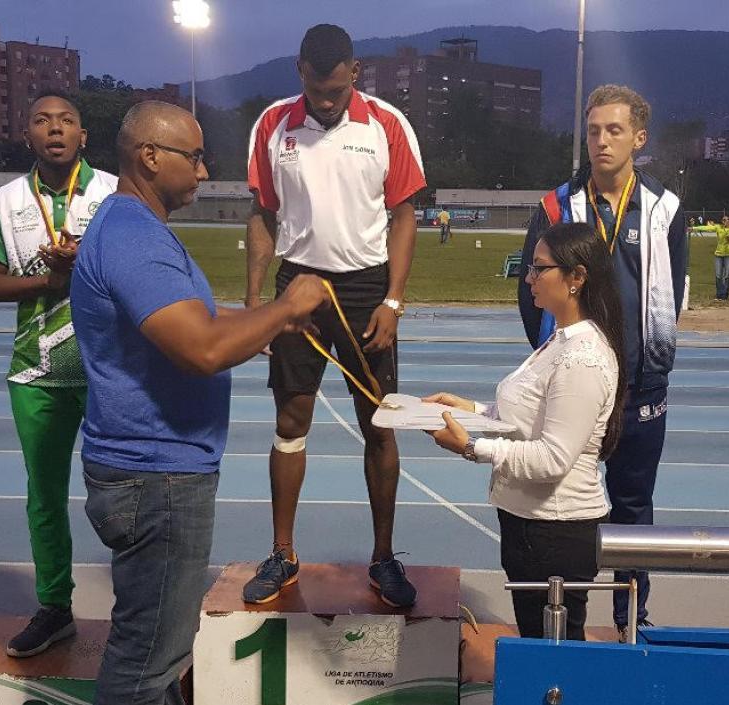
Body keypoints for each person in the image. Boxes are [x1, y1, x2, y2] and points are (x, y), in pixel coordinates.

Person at [72, 100, 327, 705]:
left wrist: (266, 323)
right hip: (155, 479)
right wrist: (287, 306)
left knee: (158, 649)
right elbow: (201, 349)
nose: (205, 171)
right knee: (144, 665)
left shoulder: (132, 229)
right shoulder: (136, 239)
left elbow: (197, 321)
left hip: (151, 474)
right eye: (194, 157)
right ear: (150, 157)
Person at [243, 24, 427, 608]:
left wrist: (393, 301)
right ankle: (281, 553)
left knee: (381, 423)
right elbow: (262, 214)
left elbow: (403, 216)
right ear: (300, 71)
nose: (326, 100)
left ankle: (383, 558)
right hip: (297, 284)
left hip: (367, 288)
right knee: (290, 422)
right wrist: (256, 304)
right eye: (317, 89)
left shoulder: (387, 125)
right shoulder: (273, 125)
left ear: (355, 71)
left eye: (336, 88)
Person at [519, 84, 687, 642]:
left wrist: (652, 366)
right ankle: (569, 622)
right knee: (568, 509)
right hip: (577, 388)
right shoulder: (556, 207)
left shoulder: (665, 210)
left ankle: (630, 621)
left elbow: (674, 296)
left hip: (640, 388)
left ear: (639, 138)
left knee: (634, 507)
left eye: (614, 130)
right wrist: (555, 365)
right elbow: (531, 293)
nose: (601, 141)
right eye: (593, 131)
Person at [428, 222, 624, 640]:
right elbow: (525, 417)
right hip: (529, 524)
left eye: (539, 268)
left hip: (555, 529)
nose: (529, 278)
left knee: (554, 656)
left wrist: (471, 447)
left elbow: (554, 458)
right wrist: (470, 410)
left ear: (577, 277)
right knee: (539, 645)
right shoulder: (559, 340)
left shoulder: (583, 358)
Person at [0, 91, 118, 658]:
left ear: (84, 136)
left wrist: (81, 270)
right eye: (42, 121)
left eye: (67, 121)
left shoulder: (115, 194)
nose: (55, 129)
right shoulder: (5, 201)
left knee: (123, 494)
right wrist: (49, 282)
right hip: (36, 372)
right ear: (27, 136)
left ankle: (134, 610)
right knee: (45, 498)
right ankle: (55, 607)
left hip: (107, 370)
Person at [690, 214, 729, 300]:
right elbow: (707, 228)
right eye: (722, 220)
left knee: (727, 276)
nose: (723, 221)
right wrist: (694, 228)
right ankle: (719, 294)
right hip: (718, 254)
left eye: (725, 220)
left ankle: (725, 295)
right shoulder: (718, 227)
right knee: (718, 275)